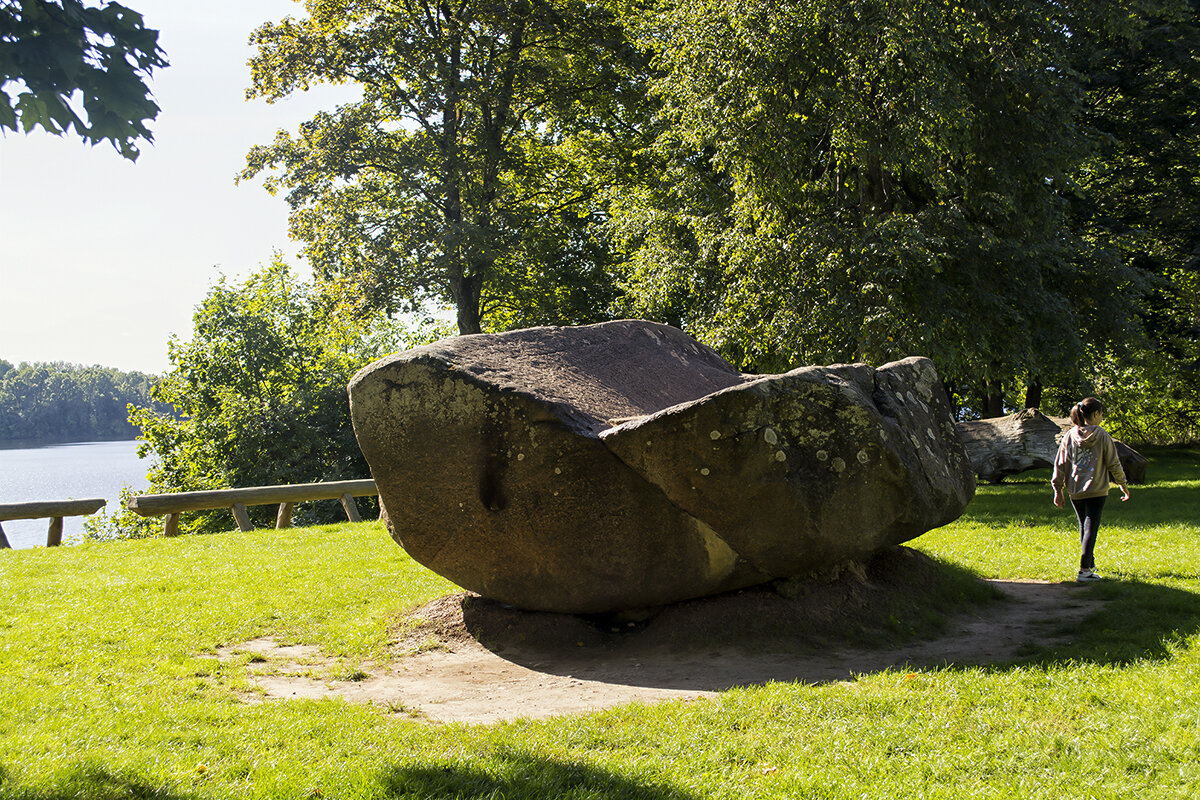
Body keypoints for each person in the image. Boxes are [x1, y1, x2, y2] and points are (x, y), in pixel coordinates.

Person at [1051, 397, 1131, 582]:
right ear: (1095, 414)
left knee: (1084, 527)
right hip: (1097, 489)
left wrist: (1058, 489)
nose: (1102, 417)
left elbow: (1060, 464)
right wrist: (1123, 484)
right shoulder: (1102, 435)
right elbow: (1114, 463)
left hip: (1075, 490)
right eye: (1101, 413)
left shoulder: (1070, 435)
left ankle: (1090, 565)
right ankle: (1084, 570)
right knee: (1090, 528)